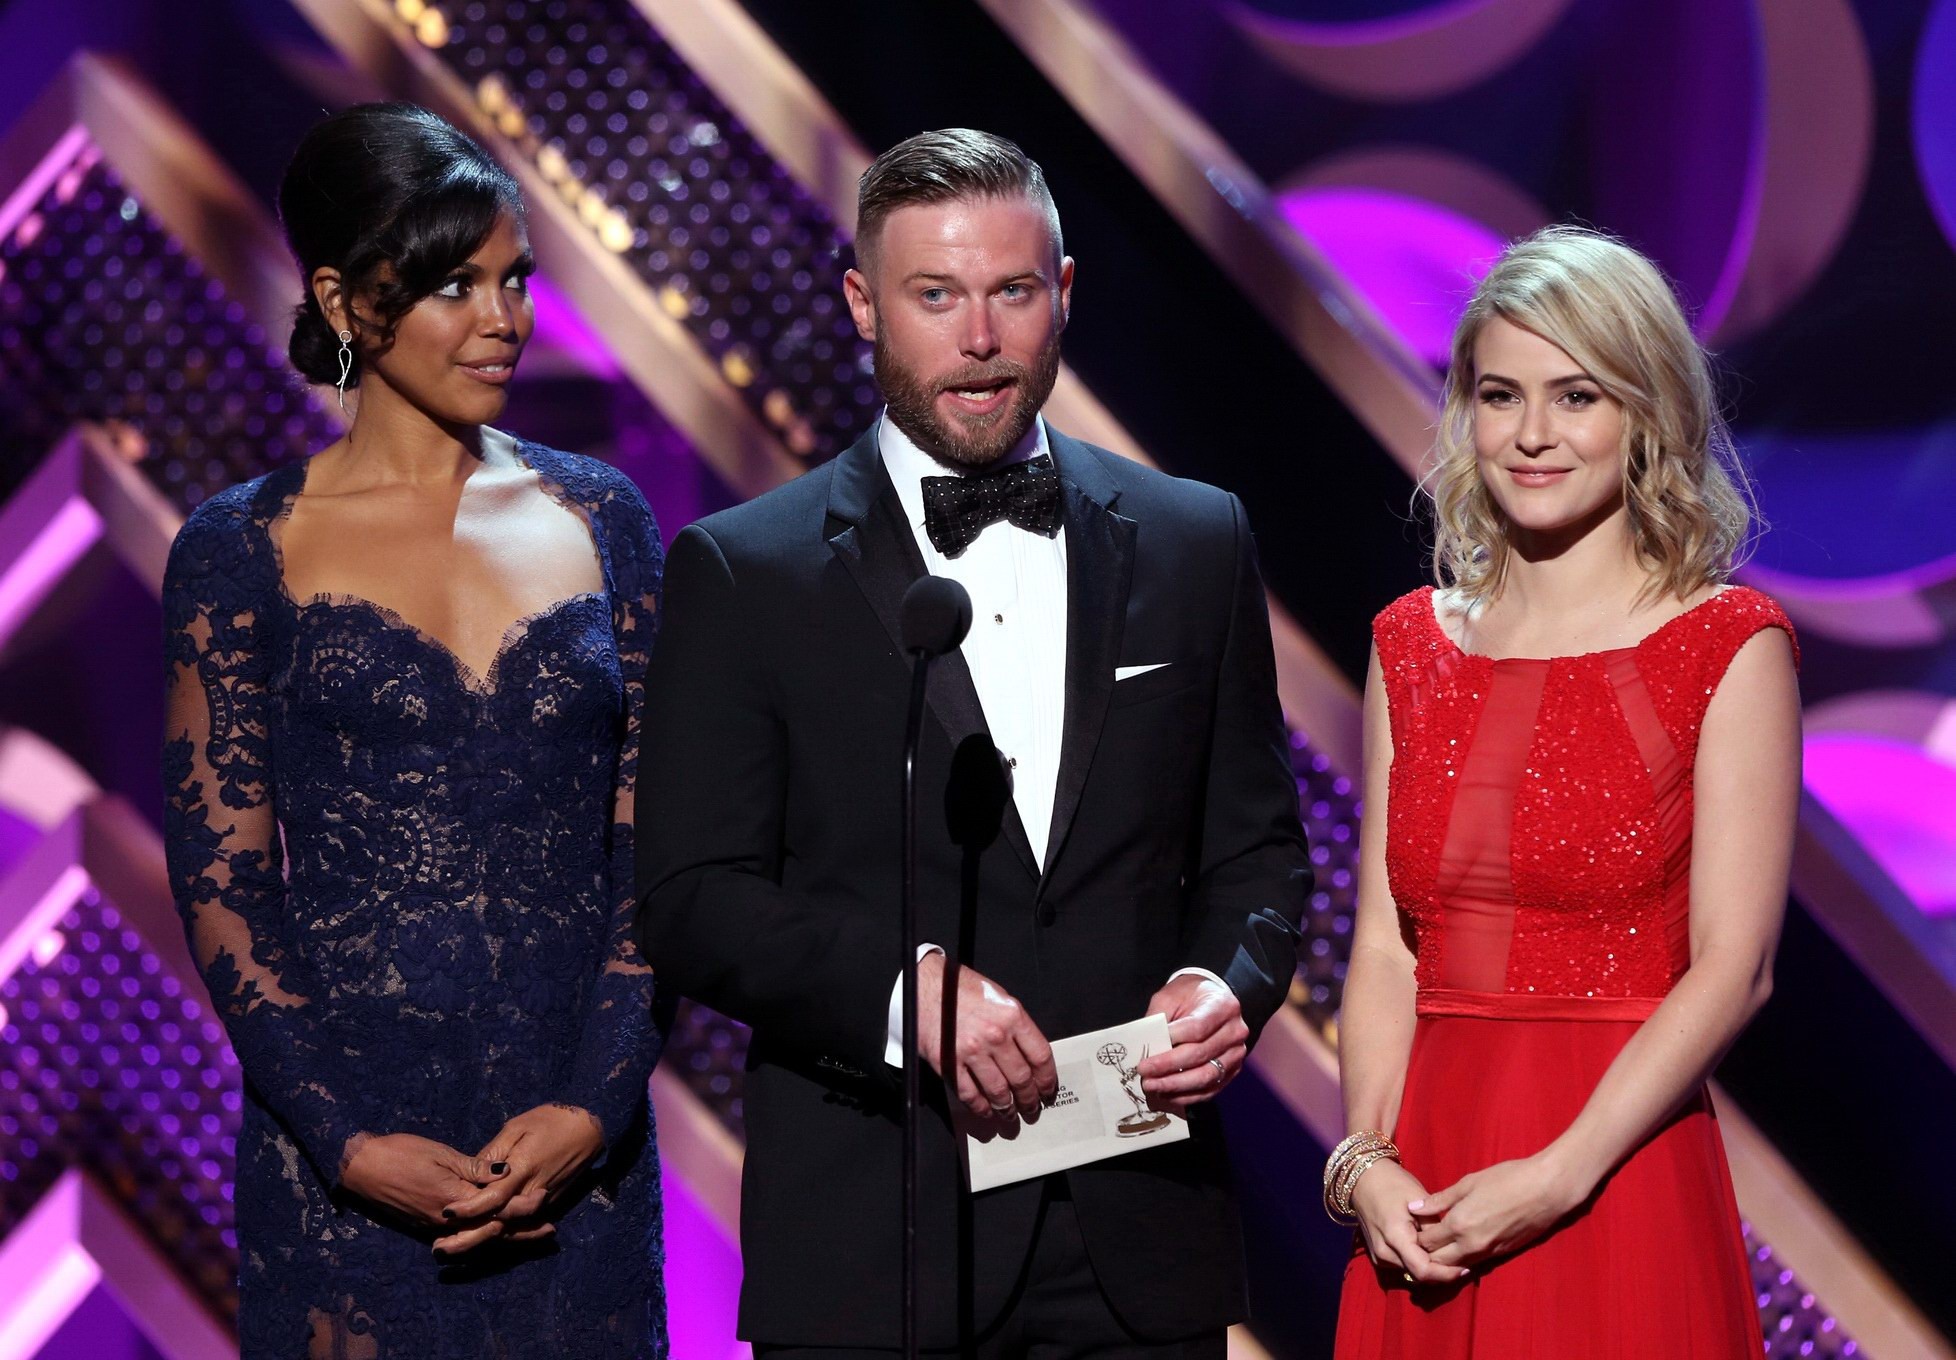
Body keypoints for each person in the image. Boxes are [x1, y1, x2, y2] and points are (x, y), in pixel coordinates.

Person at [635, 129, 1309, 1356]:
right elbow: (691, 899)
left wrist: (1228, 985)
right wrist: (909, 993)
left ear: (1064, 293)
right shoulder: (748, 570)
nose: (980, 337)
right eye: (934, 295)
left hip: (1138, 1240)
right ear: (863, 304)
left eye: (1011, 291)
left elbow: (1259, 855)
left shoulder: (1194, 539)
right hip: (875, 1243)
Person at [161, 104, 668, 1358]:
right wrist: (344, 1141)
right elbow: (224, 882)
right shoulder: (240, 548)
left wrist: (596, 1108)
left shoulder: (606, 516)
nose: (503, 320)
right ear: (342, 299)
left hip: (579, 1168)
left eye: (514, 280)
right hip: (348, 1184)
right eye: (453, 286)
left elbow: (665, 851)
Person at [1330, 225, 1800, 1358]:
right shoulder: (1410, 643)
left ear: (1644, 413)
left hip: (1614, 1178)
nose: (1532, 434)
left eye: (1576, 395)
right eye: (1501, 395)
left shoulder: (1728, 643)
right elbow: (1389, 950)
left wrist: (1556, 1175)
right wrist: (1366, 1163)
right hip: (1423, 1191)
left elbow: (1734, 969)